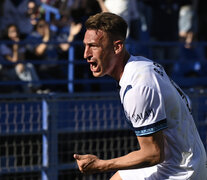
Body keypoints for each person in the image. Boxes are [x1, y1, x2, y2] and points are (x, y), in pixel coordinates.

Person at [73, 12, 207, 180]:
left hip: (181, 172)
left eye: (94, 46)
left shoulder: (138, 86)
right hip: (187, 161)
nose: (86, 54)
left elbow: (153, 154)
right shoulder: (141, 64)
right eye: (85, 46)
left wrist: (102, 164)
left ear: (117, 47)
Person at [0, 24, 40, 93]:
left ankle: (35, 88)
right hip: (8, 72)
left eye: (16, 31)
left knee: (28, 66)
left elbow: (22, 60)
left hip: (20, 69)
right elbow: (13, 63)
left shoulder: (20, 45)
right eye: (12, 32)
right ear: (7, 33)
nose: (15, 34)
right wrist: (15, 49)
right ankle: (30, 92)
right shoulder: (4, 46)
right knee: (20, 69)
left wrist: (18, 47)